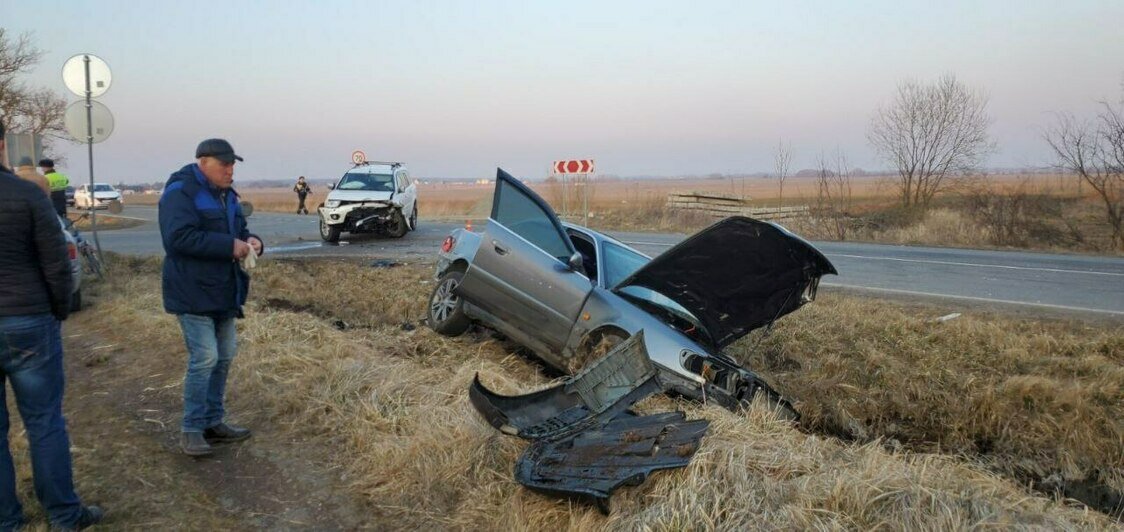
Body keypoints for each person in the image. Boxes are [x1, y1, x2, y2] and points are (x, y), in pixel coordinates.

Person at [0, 121, 104, 530]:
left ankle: (7, 520)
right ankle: (63, 514)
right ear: (2, 145)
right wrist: (59, 310)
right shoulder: (27, 194)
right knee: (44, 422)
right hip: (28, 320)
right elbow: (57, 262)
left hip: (26, 316)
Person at [158, 138, 264, 457]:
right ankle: (192, 429)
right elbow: (177, 238)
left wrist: (253, 241)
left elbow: (240, 229)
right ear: (203, 162)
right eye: (224, 164)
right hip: (191, 290)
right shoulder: (181, 192)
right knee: (205, 358)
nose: (230, 170)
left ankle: (213, 422)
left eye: (232, 164)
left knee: (225, 355)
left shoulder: (227, 194)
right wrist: (229, 246)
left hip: (223, 290)